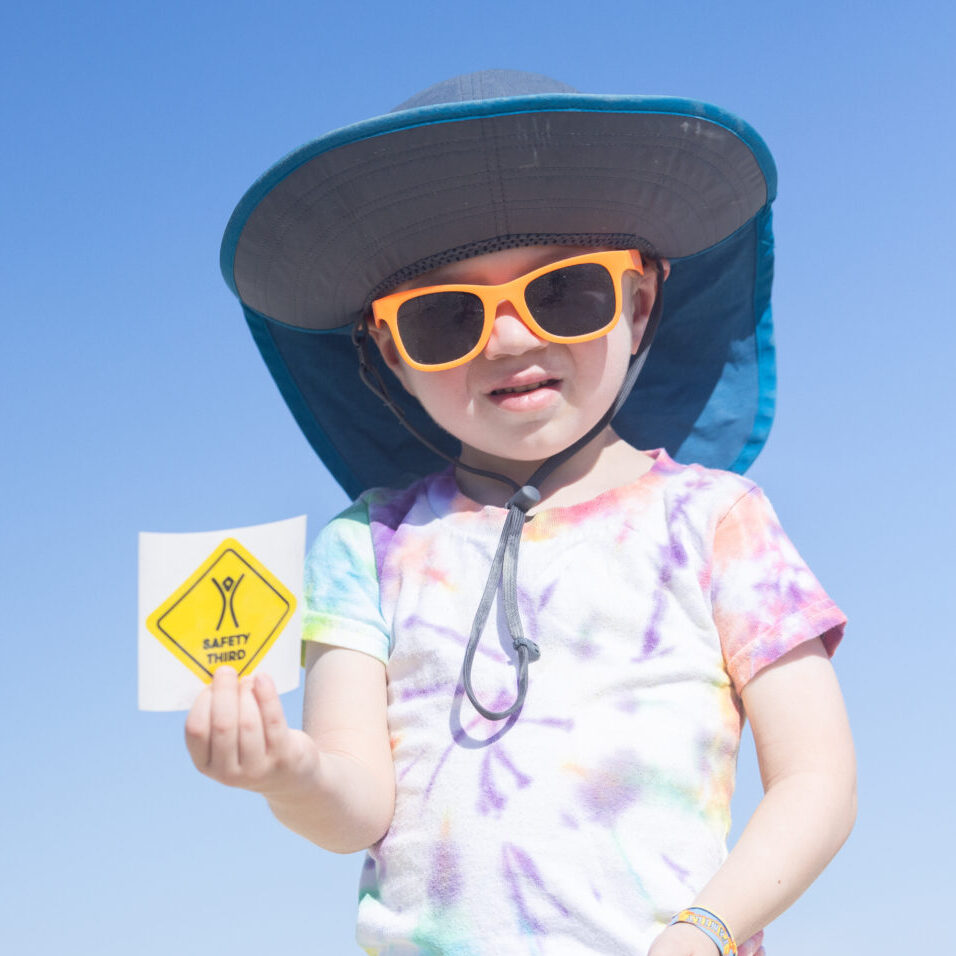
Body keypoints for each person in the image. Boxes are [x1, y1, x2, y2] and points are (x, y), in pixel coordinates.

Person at [187, 71, 856, 955]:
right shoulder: (366, 547)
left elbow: (817, 779)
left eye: (564, 293)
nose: (509, 339)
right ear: (388, 354)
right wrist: (287, 772)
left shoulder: (714, 518)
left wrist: (704, 931)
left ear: (640, 300)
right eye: (442, 319)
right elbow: (357, 807)